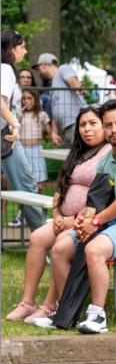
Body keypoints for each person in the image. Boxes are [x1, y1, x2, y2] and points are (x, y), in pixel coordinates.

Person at [34, 99, 116, 334]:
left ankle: (97, 316)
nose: (114, 130)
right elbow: (98, 196)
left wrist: (94, 222)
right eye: (109, 124)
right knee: (60, 248)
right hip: (111, 220)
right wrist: (84, 221)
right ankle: (66, 312)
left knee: (94, 250)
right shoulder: (106, 158)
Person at [7, 106, 109, 322]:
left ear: (103, 126)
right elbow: (60, 186)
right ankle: (27, 303)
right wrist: (57, 214)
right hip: (64, 219)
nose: (87, 129)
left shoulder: (108, 153)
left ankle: (51, 306)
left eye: (93, 123)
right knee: (36, 238)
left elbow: (103, 196)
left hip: (87, 221)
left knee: (59, 245)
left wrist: (74, 220)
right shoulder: (78, 152)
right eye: (82, 125)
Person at [1, 31, 48, 232]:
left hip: (6, 132)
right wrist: (16, 124)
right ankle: (46, 242)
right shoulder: (6, 70)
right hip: (7, 136)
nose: (25, 51)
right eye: (22, 47)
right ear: (11, 48)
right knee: (27, 188)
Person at [16, 89, 49, 187]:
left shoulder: (41, 114)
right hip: (22, 149)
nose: (26, 101)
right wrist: (17, 117)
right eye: (24, 99)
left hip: (36, 149)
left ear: (35, 99)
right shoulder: (20, 115)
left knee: (39, 180)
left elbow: (49, 131)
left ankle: (37, 200)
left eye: (29, 98)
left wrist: (54, 136)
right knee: (23, 179)